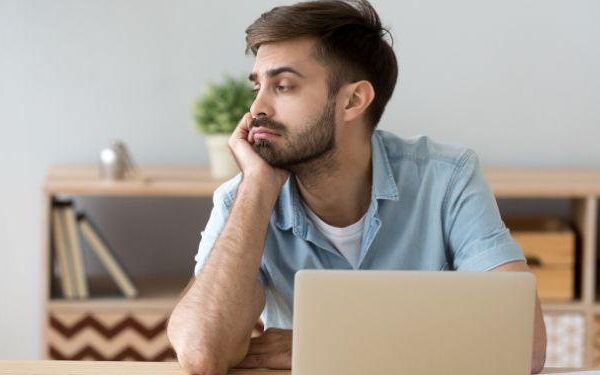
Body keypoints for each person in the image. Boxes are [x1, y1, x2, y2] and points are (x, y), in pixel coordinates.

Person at [167, 1, 547, 374]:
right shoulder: (243, 197)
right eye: (257, 88)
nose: (257, 110)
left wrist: (332, 345)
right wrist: (257, 189)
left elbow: (523, 346)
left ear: (352, 100)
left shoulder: (446, 178)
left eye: (283, 86)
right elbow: (202, 353)